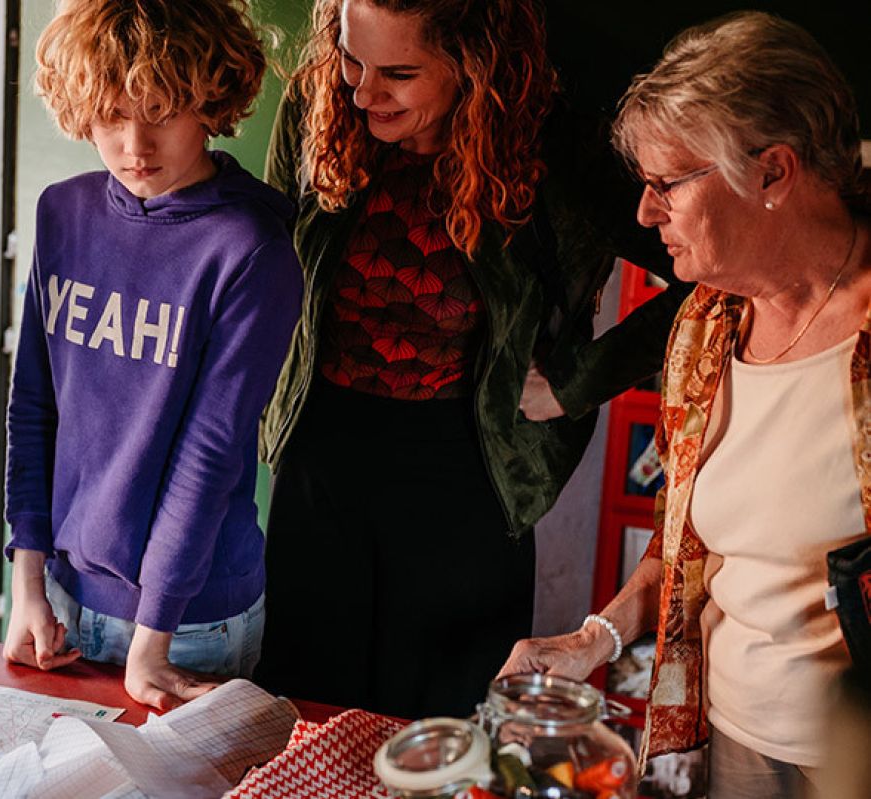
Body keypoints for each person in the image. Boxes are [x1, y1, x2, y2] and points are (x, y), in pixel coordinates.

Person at [253, 0, 688, 720]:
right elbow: (269, 251)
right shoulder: (319, 100)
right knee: (305, 710)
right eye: (352, 59)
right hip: (319, 455)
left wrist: (578, 382)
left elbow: (711, 279)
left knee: (437, 729)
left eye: (398, 73)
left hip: (470, 470)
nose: (363, 93)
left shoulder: (557, 148)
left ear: (473, 66)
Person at [498, 12, 871, 797]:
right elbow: (683, 533)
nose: (643, 213)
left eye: (666, 184)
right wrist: (592, 637)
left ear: (771, 172)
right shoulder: (703, 327)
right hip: (727, 735)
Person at [1, 0, 301, 711]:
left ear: (209, 99)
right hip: (63, 597)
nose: (134, 143)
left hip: (190, 618)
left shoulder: (248, 248)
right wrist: (27, 582)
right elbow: (33, 406)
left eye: (161, 110)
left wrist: (151, 638)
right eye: (109, 115)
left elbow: (210, 452)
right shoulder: (61, 213)